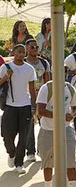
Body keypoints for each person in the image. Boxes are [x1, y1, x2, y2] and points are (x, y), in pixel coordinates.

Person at [36, 79, 76, 187]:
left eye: (65, 72)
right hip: (47, 130)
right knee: (47, 163)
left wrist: (72, 115)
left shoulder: (70, 89)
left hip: (66, 129)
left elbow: (75, 108)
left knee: (71, 161)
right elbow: (40, 110)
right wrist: (60, 117)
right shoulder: (47, 88)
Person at [0, 44, 37, 174]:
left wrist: (35, 106)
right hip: (10, 106)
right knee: (6, 133)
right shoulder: (6, 67)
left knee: (24, 136)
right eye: (18, 52)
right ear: (14, 53)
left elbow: (32, 89)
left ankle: (19, 164)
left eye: (23, 52)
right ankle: (11, 153)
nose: (21, 54)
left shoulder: (29, 69)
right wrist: (6, 77)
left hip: (25, 106)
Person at [24, 38, 51, 163]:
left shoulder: (44, 63)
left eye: (36, 47)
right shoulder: (23, 63)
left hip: (42, 97)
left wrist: (49, 97)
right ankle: (30, 151)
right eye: (32, 47)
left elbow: (48, 81)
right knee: (29, 124)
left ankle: (42, 148)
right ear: (27, 49)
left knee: (44, 123)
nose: (35, 49)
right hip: (27, 97)